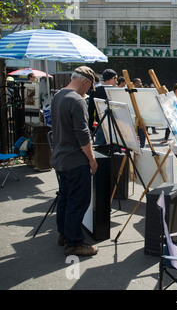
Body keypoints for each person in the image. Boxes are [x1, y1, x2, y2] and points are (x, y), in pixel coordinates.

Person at [50, 66, 99, 256]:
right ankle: (74, 243)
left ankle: (64, 234)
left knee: (65, 197)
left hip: (61, 157)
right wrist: (92, 160)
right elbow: (83, 134)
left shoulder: (58, 96)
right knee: (77, 202)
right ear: (85, 81)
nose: (88, 91)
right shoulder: (77, 100)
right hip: (74, 160)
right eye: (89, 86)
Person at [88, 69, 118, 145]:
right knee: (116, 148)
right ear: (112, 78)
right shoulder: (117, 91)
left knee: (99, 148)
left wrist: (90, 125)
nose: (116, 81)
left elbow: (90, 110)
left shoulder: (95, 91)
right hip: (116, 124)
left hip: (101, 122)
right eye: (116, 78)